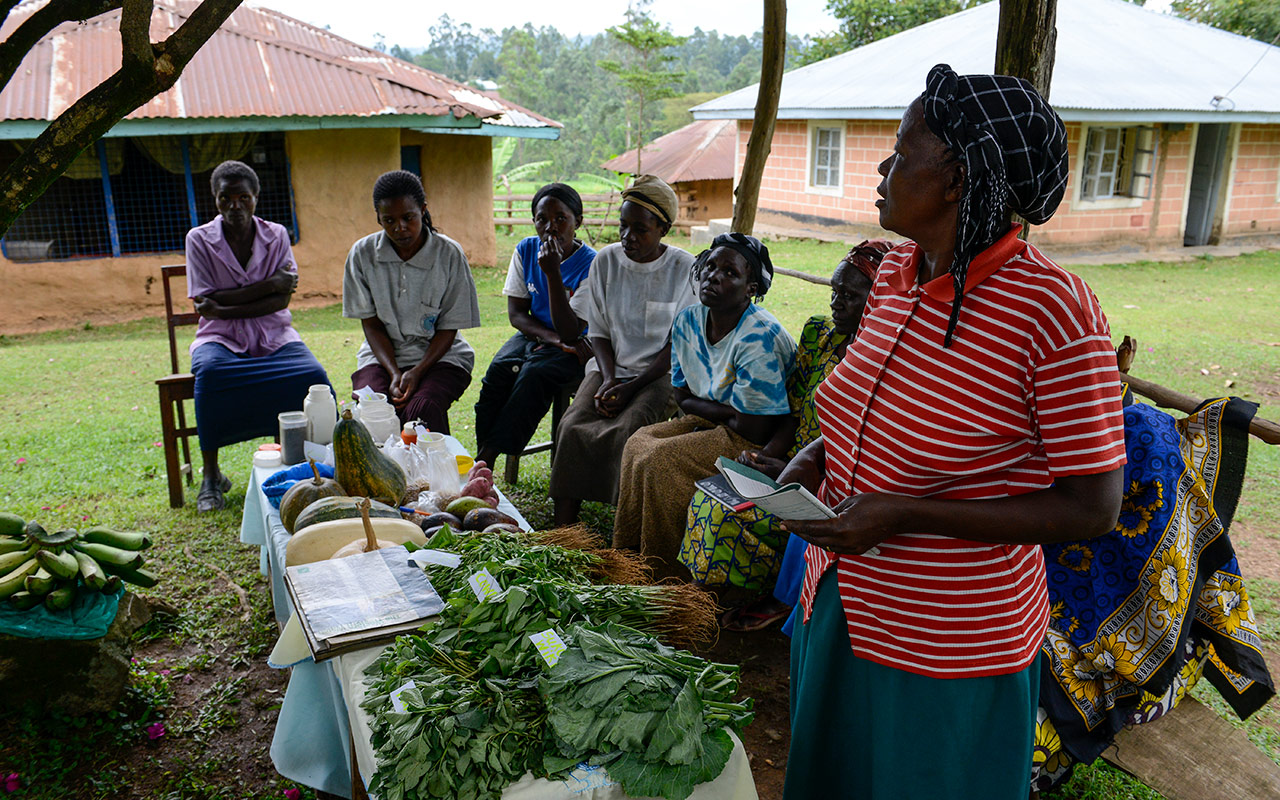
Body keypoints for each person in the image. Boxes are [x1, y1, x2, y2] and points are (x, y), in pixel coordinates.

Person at [779, 65, 1127, 800]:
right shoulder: (899, 271)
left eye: (903, 151)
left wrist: (906, 513)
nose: (883, 165)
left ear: (958, 181)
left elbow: (1093, 507)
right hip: (843, 599)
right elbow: (864, 408)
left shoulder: (1053, 312)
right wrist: (816, 456)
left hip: (948, 640)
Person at [680, 240, 893, 630]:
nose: (836, 303)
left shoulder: (889, 360)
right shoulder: (819, 336)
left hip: (840, 486)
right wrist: (768, 458)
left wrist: (801, 473)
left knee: (732, 515)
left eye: (850, 296)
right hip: (793, 466)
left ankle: (775, 599)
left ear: (881, 299)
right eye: (834, 291)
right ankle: (706, 602)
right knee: (710, 498)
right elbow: (793, 414)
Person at [614, 232, 796, 580]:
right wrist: (726, 412)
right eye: (710, 266)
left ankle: (664, 577)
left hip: (756, 443)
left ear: (750, 288)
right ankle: (626, 561)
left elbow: (753, 428)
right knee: (637, 443)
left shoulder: (759, 336)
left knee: (660, 462)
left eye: (730, 272)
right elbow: (681, 395)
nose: (714, 276)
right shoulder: (688, 322)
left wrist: (719, 414)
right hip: (719, 420)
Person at [547, 175, 697, 526]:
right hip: (609, 368)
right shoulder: (606, 261)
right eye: (623, 226)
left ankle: (623, 526)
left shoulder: (683, 268)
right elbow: (597, 330)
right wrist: (609, 378)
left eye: (640, 229)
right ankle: (562, 528)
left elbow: (675, 344)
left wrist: (630, 386)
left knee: (630, 428)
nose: (628, 237)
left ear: (663, 228)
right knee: (571, 426)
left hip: (661, 374)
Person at [185, 160, 330, 513]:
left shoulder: (276, 235)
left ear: (256, 198)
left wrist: (223, 304)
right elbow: (207, 308)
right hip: (218, 336)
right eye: (226, 198)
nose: (235, 206)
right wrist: (266, 287)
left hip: (275, 333)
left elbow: (281, 300)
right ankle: (211, 475)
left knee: (311, 377)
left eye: (243, 197)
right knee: (211, 373)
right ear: (214, 200)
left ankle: (306, 467)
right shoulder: (199, 239)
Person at [342, 170, 480, 433]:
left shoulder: (448, 254)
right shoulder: (362, 254)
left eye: (408, 217)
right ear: (378, 218)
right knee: (373, 410)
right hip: (381, 357)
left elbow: (448, 327)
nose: (400, 227)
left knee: (421, 412)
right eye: (389, 220)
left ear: (423, 210)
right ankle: (380, 474)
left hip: (442, 357)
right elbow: (371, 324)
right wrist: (394, 372)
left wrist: (417, 371)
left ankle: (436, 474)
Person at [474, 183, 596, 469]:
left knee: (534, 375)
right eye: (542, 219)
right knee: (499, 371)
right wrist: (553, 340)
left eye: (561, 219)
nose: (550, 228)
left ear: (578, 221)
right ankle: (484, 455)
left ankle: (486, 459)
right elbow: (516, 314)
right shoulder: (526, 249)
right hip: (539, 334)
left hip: (580, 343)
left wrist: (553, 272)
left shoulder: (591, 264)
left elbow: (573, 331)